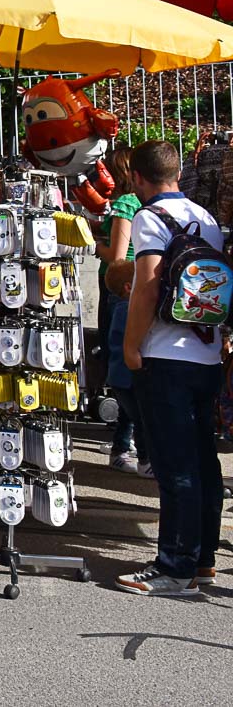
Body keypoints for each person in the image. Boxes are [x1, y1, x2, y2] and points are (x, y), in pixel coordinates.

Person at [116, 141, 226, 597]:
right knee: (203, 461)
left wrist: (131, 345)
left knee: (174, 464)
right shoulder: (205, 217)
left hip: (165, 355)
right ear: (178, 173)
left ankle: (174, 569)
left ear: (137, 178)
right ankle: (202, 560)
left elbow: (147, 285)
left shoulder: (150, 217)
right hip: (207, 353)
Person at [96, 146, 147, 473]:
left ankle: (125, 447)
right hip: (130, 285)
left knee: (122, 371)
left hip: (119, 286)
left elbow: (116, 255)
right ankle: (125, 444)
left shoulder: (126, 204)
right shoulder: (142, 203)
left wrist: (93, 242)